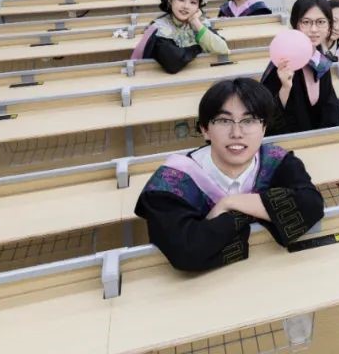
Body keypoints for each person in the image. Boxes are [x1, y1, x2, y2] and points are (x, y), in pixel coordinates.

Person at [134, 77, 325, 272]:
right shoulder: (172, 181)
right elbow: (186, 251)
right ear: (205, 130)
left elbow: (312, 204)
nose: (237, 133)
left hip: (268, 270)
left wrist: (230, 203)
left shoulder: (276, 160)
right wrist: (257, 211)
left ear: (264, 128)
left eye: (249, 120)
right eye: (224, 121)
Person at [261, 0, 339, 133]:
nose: (314, 29)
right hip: (289, 139)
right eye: (306, 22)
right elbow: (266, 120)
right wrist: (285, 88)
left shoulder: (321, 62)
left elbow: (331, 110)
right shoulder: (282, 63)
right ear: (295, 26)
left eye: (321, 22)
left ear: (329, 27)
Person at [131, 0, 229, 74]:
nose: (186, 6)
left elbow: (223, 49)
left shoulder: (200, 23)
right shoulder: (161, 28)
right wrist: (201, 46)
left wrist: (196, 22)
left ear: (198, 7)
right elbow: (173, 63)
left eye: (193, 2)